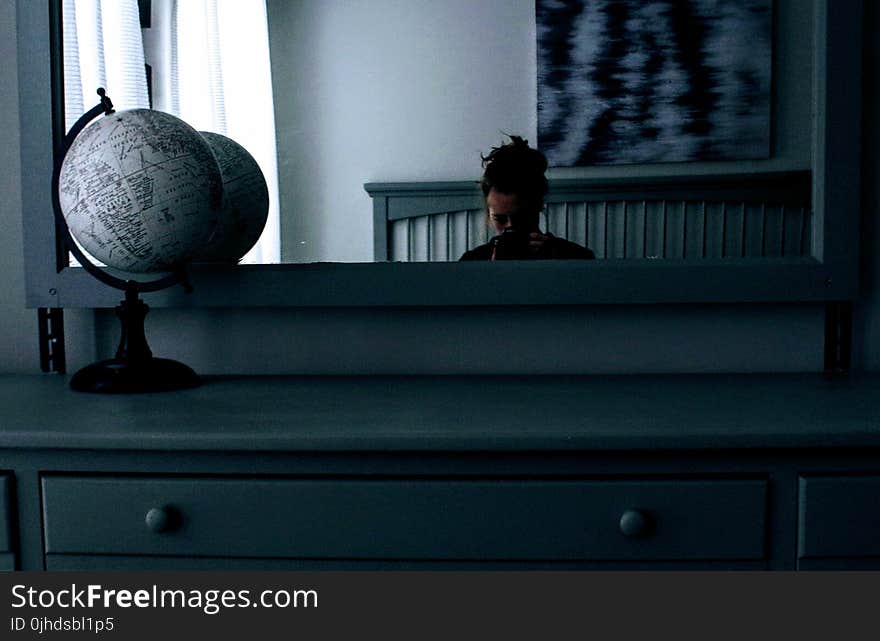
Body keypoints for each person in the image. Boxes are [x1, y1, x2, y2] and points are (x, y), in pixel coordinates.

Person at [459, 135, 595, 261]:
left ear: (539, 205)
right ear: (489, 214)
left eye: (521, 218)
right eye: (500, 219)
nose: (510, 226)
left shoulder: (576, 258)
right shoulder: (472, 262)